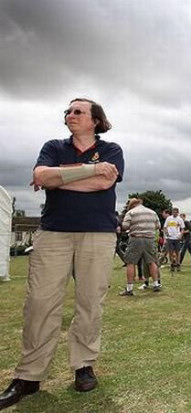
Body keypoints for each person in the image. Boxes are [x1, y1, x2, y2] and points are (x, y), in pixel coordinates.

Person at [0, 98, 123, 410]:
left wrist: (60, 178)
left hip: (97, 233)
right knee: (39, 302)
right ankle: (29, 376)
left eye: (78, 111)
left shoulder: (112, 150)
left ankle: (83, 365)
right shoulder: (53, 146)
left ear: (95, 120)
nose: (70, 115)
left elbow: (103, 183)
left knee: (89, 301)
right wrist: (88, 171)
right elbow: (42, 176)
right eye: (68, 111)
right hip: (54, 232)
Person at [119, 198, 161, 295]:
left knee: (130, 263)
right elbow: (158, 226)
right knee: (152, 261)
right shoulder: (152, 212)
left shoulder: (131, 212)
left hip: (136, 238)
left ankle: (129, 289)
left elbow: (125, 226)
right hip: (149, 239)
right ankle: (156, 284)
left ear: (132, 205)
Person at [163, 208, 184, 272]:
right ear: (172, 212)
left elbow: (182, 228)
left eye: (176, 212)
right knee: (170, 252)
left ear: (178, 213)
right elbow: (165, 227)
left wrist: (181, 235)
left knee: (178, 252)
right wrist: (166, 234)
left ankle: (178, 264)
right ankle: (172, 264)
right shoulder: (168, 218)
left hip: (177, 238)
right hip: (170, 238)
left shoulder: (180, 219)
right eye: (173, 212)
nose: (175, 213)